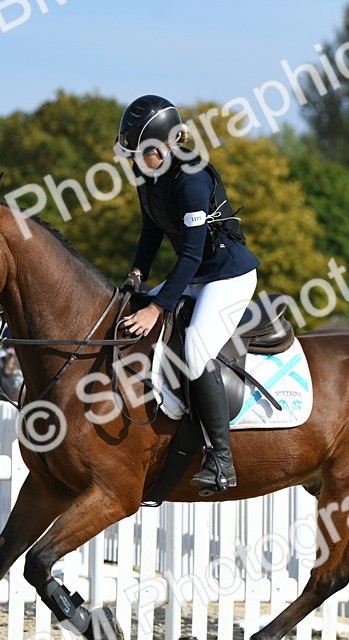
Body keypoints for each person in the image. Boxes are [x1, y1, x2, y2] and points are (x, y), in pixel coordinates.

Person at [114, 94, 260, 495]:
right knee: (124, 313)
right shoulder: (147, 173)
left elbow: (193, 253)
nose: (135, 163)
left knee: (195, 350)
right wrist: (138, 274)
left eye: (143, 154)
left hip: (226, 276)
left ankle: (221, 460)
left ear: (165, 147)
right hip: (193, 273)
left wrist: (158, 307)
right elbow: (151, 229)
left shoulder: (192, 181)